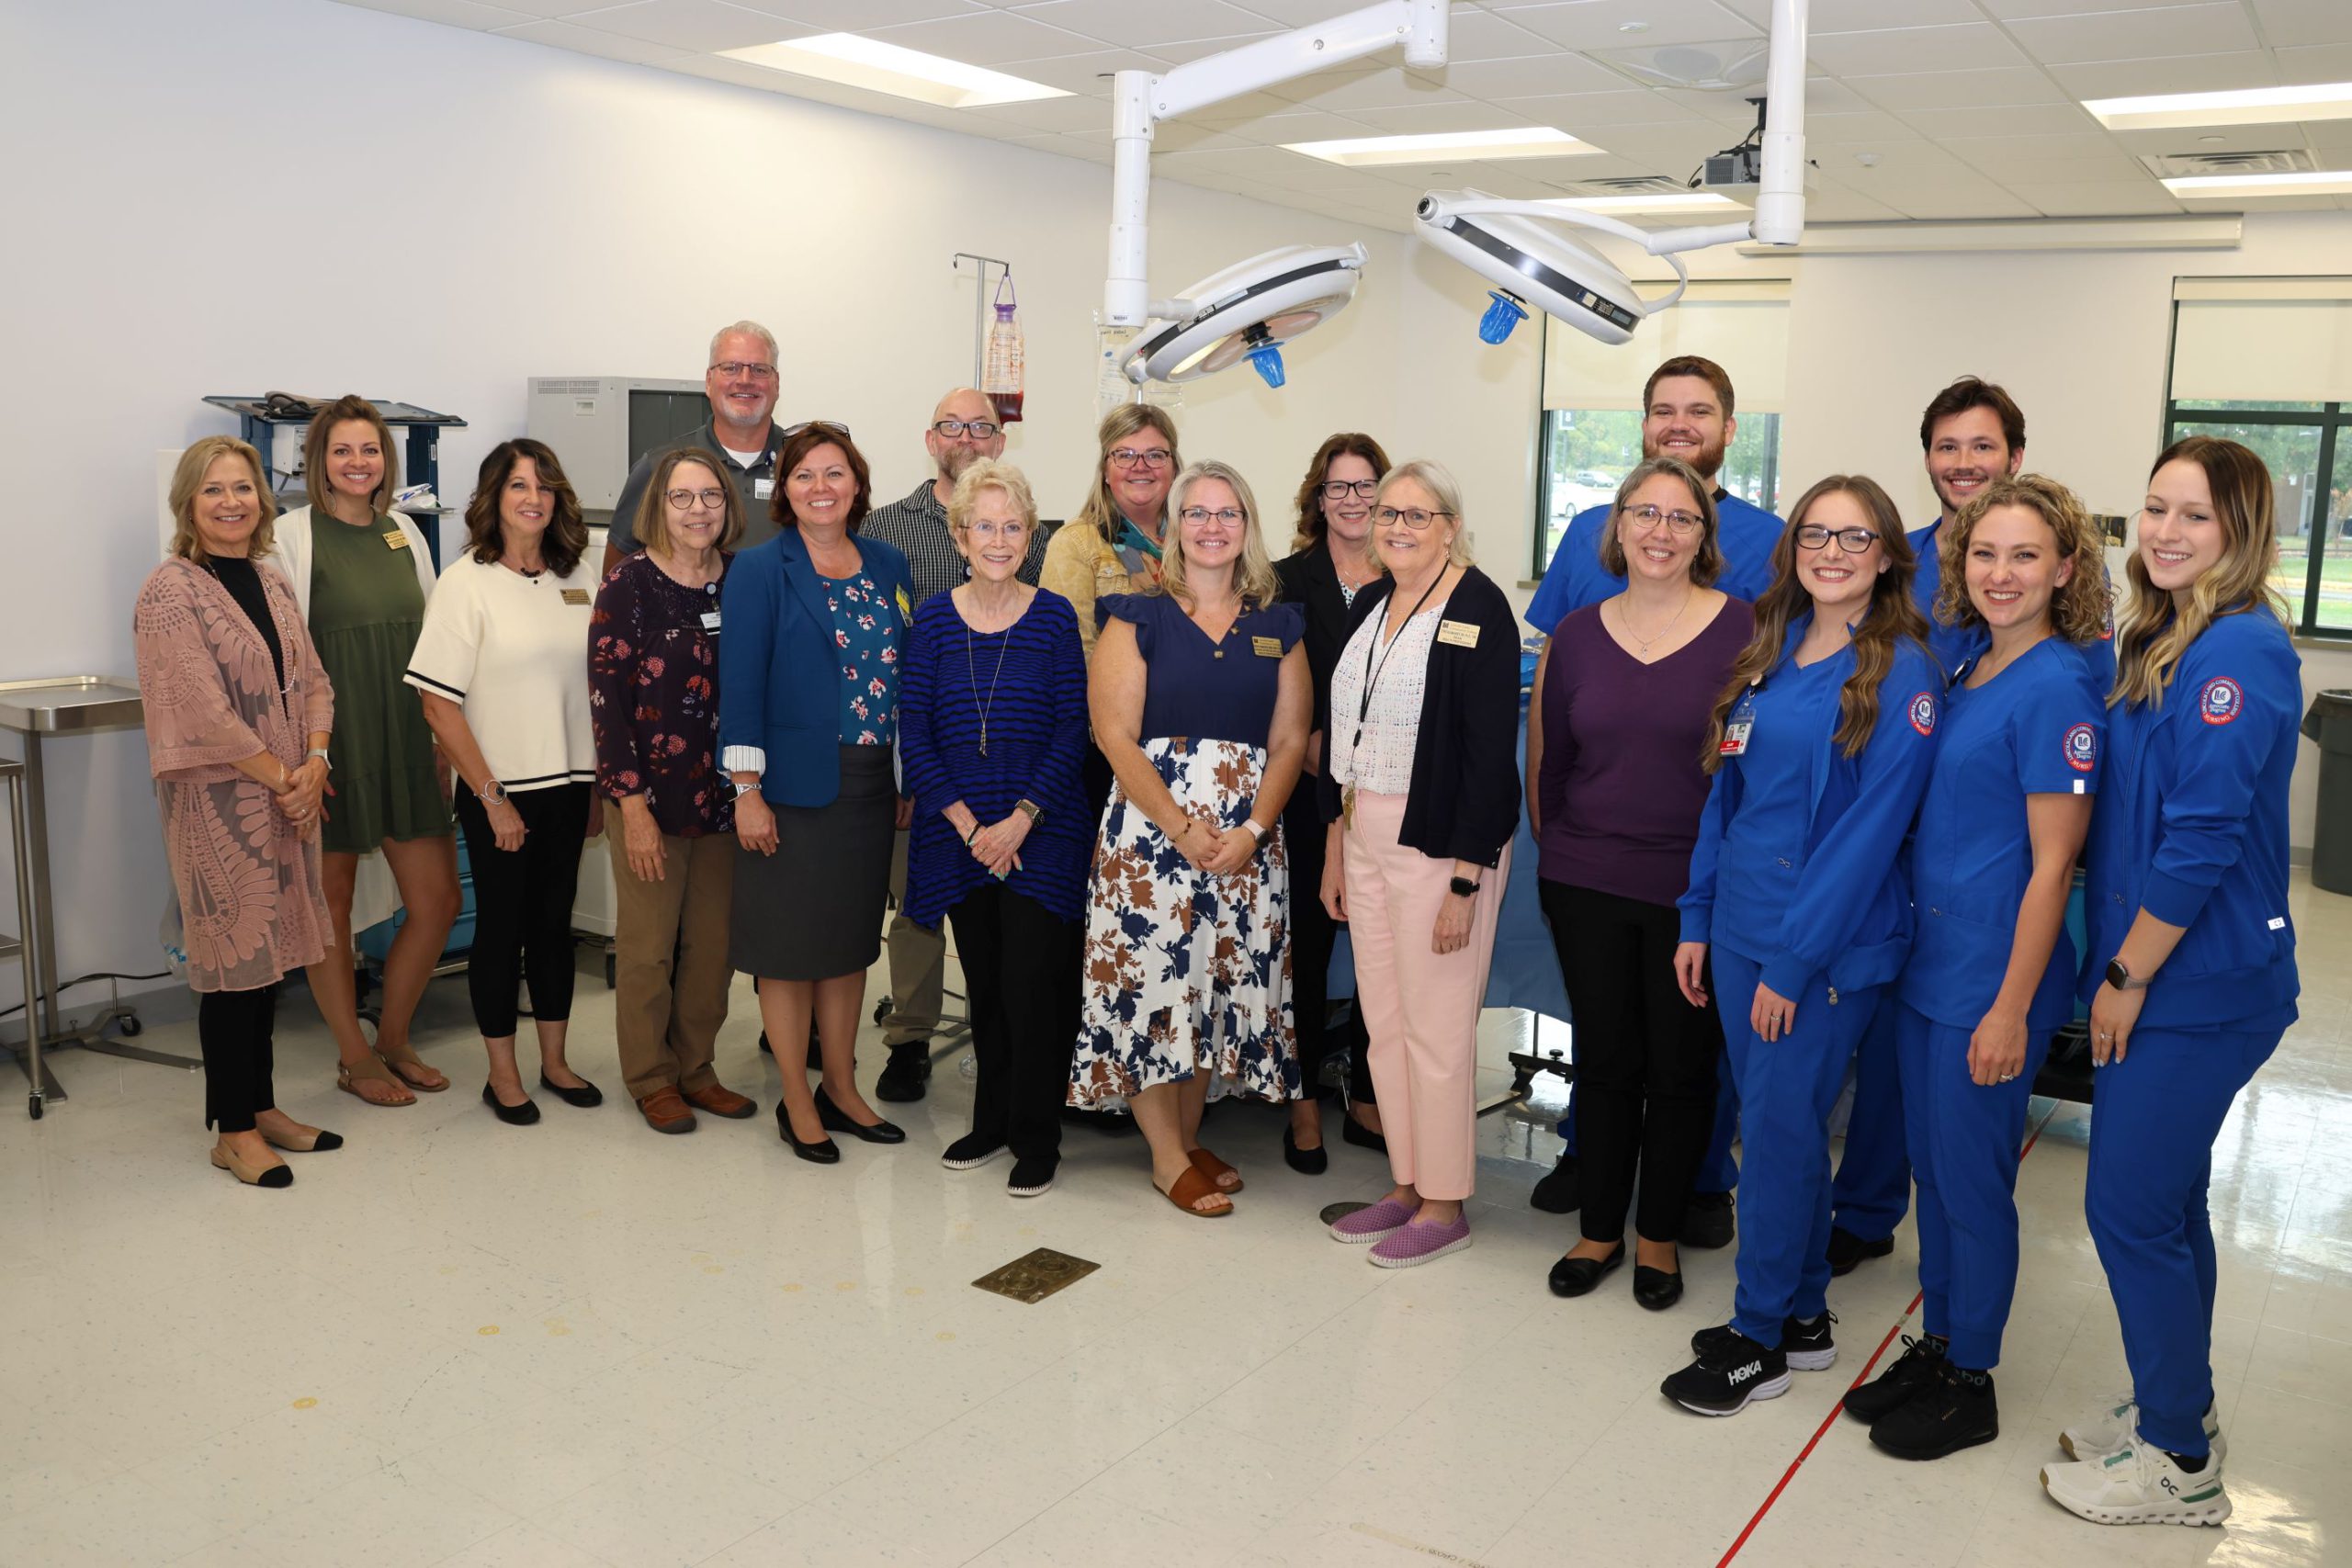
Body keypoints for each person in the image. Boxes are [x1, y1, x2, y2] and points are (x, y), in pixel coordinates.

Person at [2041, 437, 2300, 1528]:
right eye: (2153, 509)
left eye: (2194, 516)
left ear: (2237, 533)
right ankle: (2172, 1404)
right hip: (2177, 975)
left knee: (2126, 1210)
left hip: (2194, 985)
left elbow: (2198, 843)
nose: (2165, 532)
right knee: (2171, 1202)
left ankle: (2178, 1465)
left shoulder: (2236, 653)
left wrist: (2123, 975)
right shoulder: (2163, 635)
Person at [1660, 475, 1940, 1416]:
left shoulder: (1901, 670)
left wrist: (1792, 962)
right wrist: (1697, 915)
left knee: (1777, 1137)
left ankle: (1756, 1338)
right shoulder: (1769, 650)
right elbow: (1724, 793)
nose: (1830, 552)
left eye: (1853, 538)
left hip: (1816, 953)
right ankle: (1806, 1317)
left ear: (1887, 556)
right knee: (1779, 1131)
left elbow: (1869, 838)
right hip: (1737, 926)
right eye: (1814, 534)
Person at [1841, 475, 2108, 1459]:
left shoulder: (2058, 686)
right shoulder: (1972, 673)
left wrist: (2008, 1009)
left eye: (2025, 555)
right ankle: (1942, 1336)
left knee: (1974, 1183)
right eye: (1984, 554)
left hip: (1991, 980)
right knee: (1933, 1175)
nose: (2001, 573)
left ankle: (1973, 1378)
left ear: (2065, 569)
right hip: (1930, 965)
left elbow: (2052, 867)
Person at [1523, 355, 1781, 1244]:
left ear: (1728, 429)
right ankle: (1590, 1171)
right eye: (1662, 410)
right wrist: (1559, 845)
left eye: (1698, 411)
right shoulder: (1586, 566)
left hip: (1692, 866)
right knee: (1605, 1047)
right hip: (1591, 858)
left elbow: (1761, 737)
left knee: (1684, 1060)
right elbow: (1549, 727)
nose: (1679, 424)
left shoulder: (1763, 561)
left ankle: (1692, 1190)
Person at [1069, 459, 1307, 1216]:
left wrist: (1252, 829)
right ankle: (1167, 1157)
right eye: (1197, 513)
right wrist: (1181, 826)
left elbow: (1293, 739)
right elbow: (1113, 734)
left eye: (1227, 512)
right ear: (1174, 528)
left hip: (1246, 842)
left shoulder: (1279, 622)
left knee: (1216, 987)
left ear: (1248, 526)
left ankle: (1193, 1134)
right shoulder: (1135, 616)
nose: (1212, 526)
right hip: (1150, 840)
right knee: (1151, 990)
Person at [1320, 460, 1521, 1268]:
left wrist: (1466, 881)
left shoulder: (1479, 607)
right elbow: (1352, 734)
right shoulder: (1374, 600)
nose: (1398, 526)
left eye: (1417, 514)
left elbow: (1486, 759)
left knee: (1437, 1029)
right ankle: (1405, 1183)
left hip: (1441, 844)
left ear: (1450, 523)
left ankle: (1445, 1201)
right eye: (1389, 512)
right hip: (1363, 832)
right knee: (1386, 1024)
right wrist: (1339, 841)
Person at [133, 437, 342, 1186]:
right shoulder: (171, 590)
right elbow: (201, 711)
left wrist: (316, 762)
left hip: (287, 798)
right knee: (232, 966)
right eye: (214, 490)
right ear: (188, 502)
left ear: (262, 498)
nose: (231, 502)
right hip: (217, 805)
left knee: (271, 960)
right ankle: (233, 1129)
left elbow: (314, 679)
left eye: (244, 488)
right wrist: (287, 774)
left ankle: (264, 1106)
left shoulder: (270, 580)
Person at [720, 424, 916, 1164]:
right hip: (790, 788)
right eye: (805, 475)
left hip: (870, 783)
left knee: (846, 946)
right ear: (784, 489)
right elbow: (738, 684)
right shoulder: (759, 570)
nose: (821, 487)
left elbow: (903, 676)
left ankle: (842, 1085)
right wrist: (747, 789)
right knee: (788, 947)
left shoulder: (889, 562)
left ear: (857, 484)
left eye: (835, 473)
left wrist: (903, 775)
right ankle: (796, 1100)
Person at [899, 459, 1089, 1196]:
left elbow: (1072, 730)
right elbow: (914, 731)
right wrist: (970, 824)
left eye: (1014, 526)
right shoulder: (935, 620)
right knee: (986, 985)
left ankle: (1038, 1135)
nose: (1000, 539)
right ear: (959, 535)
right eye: (986, 526)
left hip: (1042, 833)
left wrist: (1018, 822)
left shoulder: (1052, 618)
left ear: (1029, 535)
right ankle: (992, 1120)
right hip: (960, 835)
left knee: (1034, 985)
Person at [406, 439, 604, 1125]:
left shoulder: (580, 573)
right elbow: (437, 702)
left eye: (545, 485)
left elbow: (594, 685)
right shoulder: (467, 581)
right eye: (518, 485)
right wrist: (492, 800)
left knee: (555, 928)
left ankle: (554, 1062)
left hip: (571, 782)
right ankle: (502, 1074)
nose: (533, 498)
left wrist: (599, 786)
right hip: (502, 791)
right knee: (501, 930)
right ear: (494, 497)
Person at [858, 389, 1046, 1104]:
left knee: (1005, 911)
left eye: (982, 426)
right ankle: (909, 1036)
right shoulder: (884, 529)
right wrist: (910, 774)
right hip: (920, 755)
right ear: (928, 438)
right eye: (950, 424)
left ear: (1001, 442)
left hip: (1008, 768)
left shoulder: (1033, 529)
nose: (966, 435)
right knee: (917, 904)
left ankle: (1007, 1048)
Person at [273, 395, 460, 1110]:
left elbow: (436, 643)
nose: (358, 463)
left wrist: (445, 738)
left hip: (407, 734)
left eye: (370, 450)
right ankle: (353, 1055)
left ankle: (395, 1036)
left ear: (389, 460)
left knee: (437, 899)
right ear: (318, 461)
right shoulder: (293, 536)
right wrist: (301, 755)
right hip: (332, 742)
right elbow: (283, 654)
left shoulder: (406, 532)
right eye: (343, 450)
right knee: (333, 904)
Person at [591, 449, 755, 1134]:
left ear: (729, 506)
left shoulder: (743, 583)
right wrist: (631, 806)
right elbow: (607, 701)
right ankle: (651, 1076)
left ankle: (696, 1067)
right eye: (682, 498)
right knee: (650, 945)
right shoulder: (628, 585)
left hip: (722, 796)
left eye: (711, 497)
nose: (698, 511)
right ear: (657, 506)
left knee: (712, 947)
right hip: (648, 798)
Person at [1273, 433, 1390, 1173]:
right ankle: (1304, 1100)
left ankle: (1372, 1091)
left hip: (1384, 797)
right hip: (1306, 791)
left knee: (1383, 952)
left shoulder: (1413, 576)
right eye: (1338, 487)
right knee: (1306, 951)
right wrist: (1314, 749)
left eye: (1366, 485)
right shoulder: (1284, 580)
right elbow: (1266, 685)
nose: (1353, 500)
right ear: (1319, 499)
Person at [601, 320, 789, 573]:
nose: (745, 380)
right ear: (709, 381)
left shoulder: (805, 467)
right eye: (730, 368)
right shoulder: (658, 466)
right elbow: (617, 577)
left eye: (759, 369)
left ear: (776, 383)